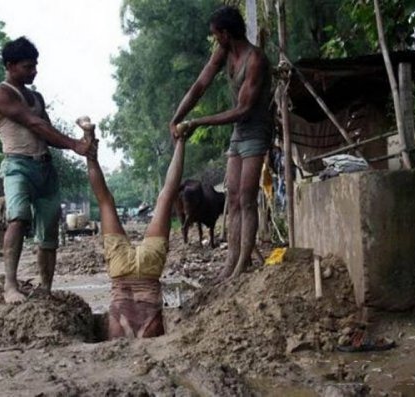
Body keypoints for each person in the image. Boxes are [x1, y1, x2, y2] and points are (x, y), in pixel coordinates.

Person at [169, 5, 272, 280]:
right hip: (239, 132)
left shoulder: (255, 60)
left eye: (216, 35)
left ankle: (242, 265)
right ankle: (231, 263)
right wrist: (178, 117)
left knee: (247, 199)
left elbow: (243, 109)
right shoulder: (224, 53)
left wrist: (199, 122)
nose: (215, 40)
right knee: (234, 198)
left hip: (256, 129)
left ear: (226, 34)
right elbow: (199, 86)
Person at [0, 37, 93, 304]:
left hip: (44, 167)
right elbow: (33, 124)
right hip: (17, 165)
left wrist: (79, 144)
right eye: (27, 67)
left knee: (48, 231)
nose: (34, 71)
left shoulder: (36, 97)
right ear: (10, 66)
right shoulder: (0, 94)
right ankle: (10, 286)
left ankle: (46, 288)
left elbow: (46, 132)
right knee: (18, 217)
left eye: (35, 65)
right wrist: (74, 145)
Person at [78, 118, 186, 339]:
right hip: (127, 274)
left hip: (145, 272)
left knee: (160, 198)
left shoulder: (116, 334)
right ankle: (181, 141)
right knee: (110, 201)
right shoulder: (124, 334)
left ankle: (181, 141)